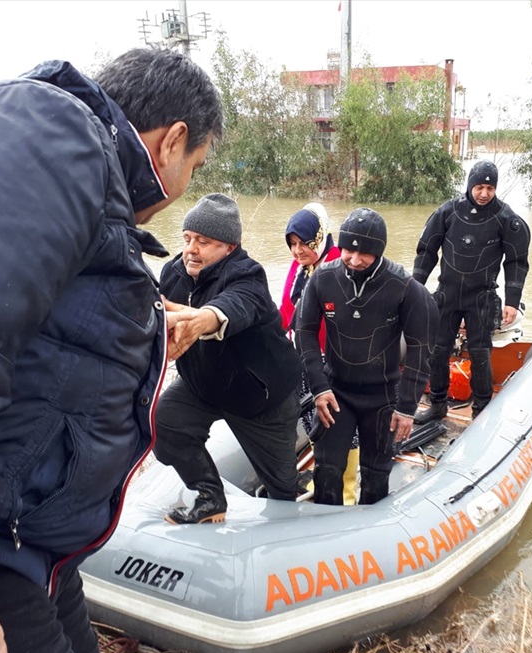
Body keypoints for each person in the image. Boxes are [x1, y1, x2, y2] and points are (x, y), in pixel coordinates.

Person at [0, 48, 223, 653]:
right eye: (195, 166)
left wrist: (148, 334)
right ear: (173, 140)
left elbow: (35, 323)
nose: (182, 194)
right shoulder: (50, 131)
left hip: (27, 537)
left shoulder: (81, 175)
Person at [155, 193, 303, 526]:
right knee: (162, 423)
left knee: (282, 489)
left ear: (229, 248)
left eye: (203, 242)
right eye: (188, 239)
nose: (191, 249)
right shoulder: (173, 273)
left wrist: (201, 319)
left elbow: (235, 306)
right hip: (203, 386)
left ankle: (286, 532)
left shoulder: (247, 274)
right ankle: (210, 497)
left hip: (262, 398)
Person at [295, 208, 437, 505]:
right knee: (327, 473)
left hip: (383, 397)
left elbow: (420, 350)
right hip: (337, 394)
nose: (355, 260)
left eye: (365, 254)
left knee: (375, 475)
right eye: (348, 250)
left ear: (380, 251)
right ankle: (325, 536)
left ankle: (369, 541)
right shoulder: (323, 278)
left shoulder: (404, 287)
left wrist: (407, 408)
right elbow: (305, 332)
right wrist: (319, 388)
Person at [412, 160, 531, 423]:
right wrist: (416, 286)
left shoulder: (506, 218)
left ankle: (480, 412)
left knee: (480, 355)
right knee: (438, 352)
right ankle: (438, 405)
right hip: (448, 293)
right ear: (470, 186)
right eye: (479, 187)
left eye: (490, 187)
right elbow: (427, 251)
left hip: (482, 297)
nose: (484, 193)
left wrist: (512, 301)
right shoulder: (448, 212)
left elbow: (516, 262)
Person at [278, 203, 359, 504]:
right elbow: (286, 313)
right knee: (316, 421)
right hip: (304, 357)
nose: (298, 250)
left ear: (321, 237)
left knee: (341, 427)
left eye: (305, 243)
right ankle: (322, 479)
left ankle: (347, 491)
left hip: (336, 359)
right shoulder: (299, 268)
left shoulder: (341, 267)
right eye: (293, 244)